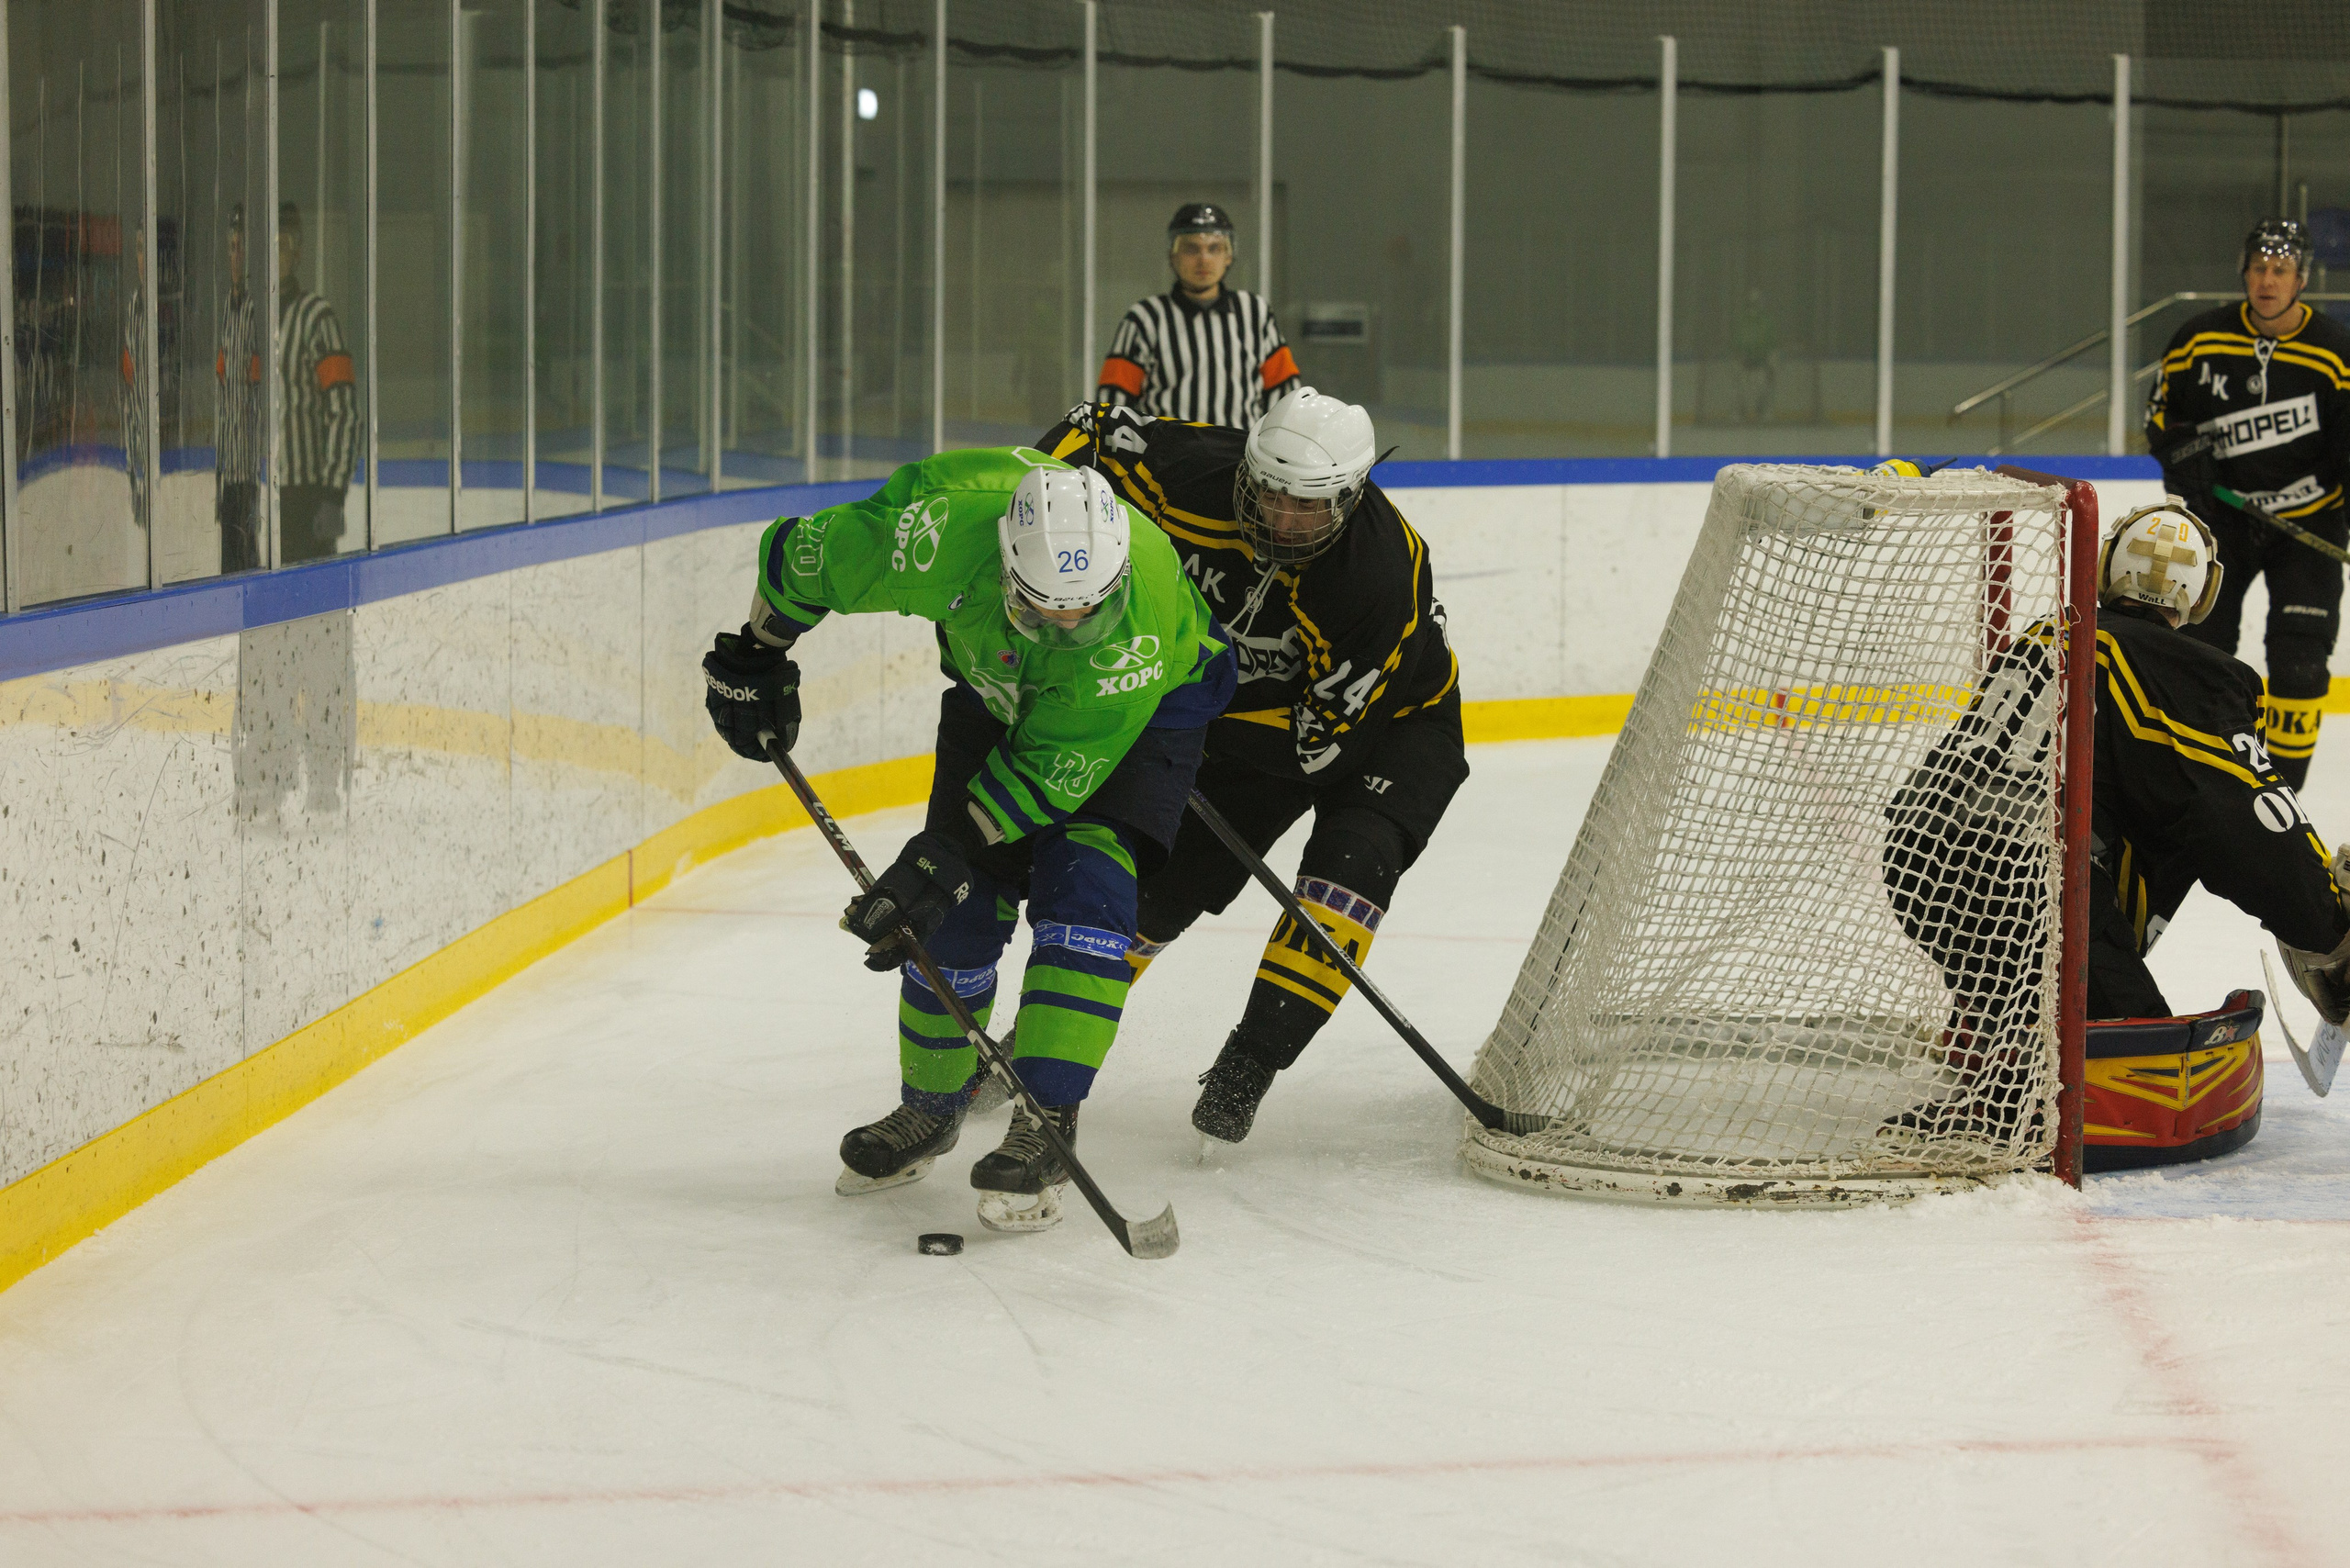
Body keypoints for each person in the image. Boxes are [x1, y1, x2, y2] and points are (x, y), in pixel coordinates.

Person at [700, 449, 1234, 1231]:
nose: (1066, 624)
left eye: (1083, 608)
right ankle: (930, 1109)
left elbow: (1053, 772)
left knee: (1085, 887)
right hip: (997, 689)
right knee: (957, 910)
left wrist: (938, 853)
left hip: (1144, 709)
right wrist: (758, 647)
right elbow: (799, 556)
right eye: (1045, 606)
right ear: (1005, 570)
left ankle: (1046, 1116)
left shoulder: (1133, 629)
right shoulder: (930, 541)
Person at [1036, 391, 1465, 1144]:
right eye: (1267, 492)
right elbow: (1087, 431)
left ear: (1351, 495)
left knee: (1348, 867)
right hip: (1244, 717)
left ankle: (1251, 1063)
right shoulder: (1187, 469)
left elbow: (1319, 747)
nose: (1281, 518)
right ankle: (1046, 1043)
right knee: (1158, 892)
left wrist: (1175, 715)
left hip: (1393, 726)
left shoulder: (1379, 575)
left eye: (1307, 506)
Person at [1881, 498, 2350, 1140]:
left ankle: (2001, 1028)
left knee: (2110, 848)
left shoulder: (2049, 632)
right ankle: (2022, 1089)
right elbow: (2244, 818)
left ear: (2105, 570)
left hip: (1916, 857)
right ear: (2202, 594)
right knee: (2141, 1071)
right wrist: (2329, 924)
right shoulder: (2191, 672)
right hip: (2028, 887)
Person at [2147, 218, 2350, 790]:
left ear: (2301, 278)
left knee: (2301, 664)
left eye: (2280, 270)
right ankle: (2207, 775)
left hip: (2310, 524)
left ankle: (2280, 796)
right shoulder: (2199, 339)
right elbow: (2160, 414)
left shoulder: (2336, 350)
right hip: (2222, 525)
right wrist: (2184, 452)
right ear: (2244, 272)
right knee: (2202, 653)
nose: (2267, 280)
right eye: (2259, 268)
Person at [1095, 203, 1300, 430]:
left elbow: (1285, 396)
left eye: (1215, 248)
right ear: (1173, 256)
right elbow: (1112, 404)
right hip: (1167, 459)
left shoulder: (1255, 312)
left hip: (1239, 457)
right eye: (1191, 249)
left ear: (1228, 256)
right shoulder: (1144, 319)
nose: (1204, 259)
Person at [274, 203, 361, 564]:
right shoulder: (250, 317)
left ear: (296, 254)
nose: (271, 255)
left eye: (280, 245)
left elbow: (344, 412)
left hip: (305, 500)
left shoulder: (317, 318)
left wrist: (332, 494)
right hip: (264, 497)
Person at [216, 203, 264, 574]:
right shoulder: (226, 312)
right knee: (227, 559)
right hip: (227, 470)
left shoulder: (255, 312)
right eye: (231, 248)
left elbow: (260, 396)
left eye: (240, 248)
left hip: (248, 469)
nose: (235, 256)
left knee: (248, 557)